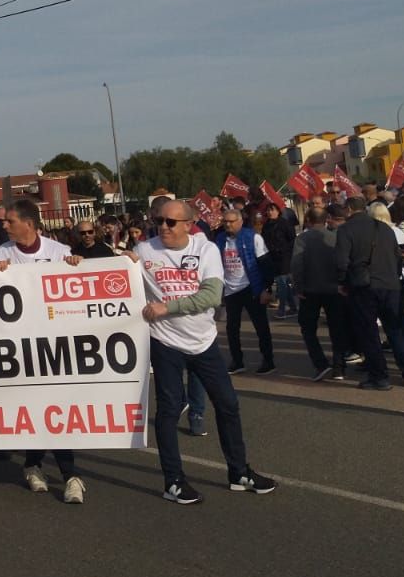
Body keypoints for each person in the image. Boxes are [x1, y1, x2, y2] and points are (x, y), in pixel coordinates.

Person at [135, 199, 276, 504]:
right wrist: (77, 261)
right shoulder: (144, 250)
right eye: (159, 220)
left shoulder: (206, 249)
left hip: (203, 340)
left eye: (171, 222)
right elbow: (109, 275)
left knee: (227, 404)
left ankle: (239, 472)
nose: (163, 227)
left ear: (189, 224)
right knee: (169, 410)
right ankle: (173, 480)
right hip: (165, 342)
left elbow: (212, 296)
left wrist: (166, 307)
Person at [0, 200, 88, 504]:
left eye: (9, 221)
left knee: (54, 407)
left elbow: (77, 287)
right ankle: (37, 465)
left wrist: (79, 266)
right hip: (17, 347)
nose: (3, 225)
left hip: (54, 344)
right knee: (35, 407)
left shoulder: (58, 252)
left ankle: (67, 474)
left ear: (28, 223)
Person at [335, 202, 404, 389]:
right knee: (396, 330)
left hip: (364, 286)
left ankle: (379, 376)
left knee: (369, 332)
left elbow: (341, 262)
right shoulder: (385, 229)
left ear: (348, 210)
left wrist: (342, 283)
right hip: (390, 284)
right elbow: (397, 257)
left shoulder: (346, 230)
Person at [289, 208, 349, 381]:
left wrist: (298, 287)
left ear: (307, 220)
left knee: (308, 328)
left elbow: (297, 264)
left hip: (310, 290)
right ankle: (339, 367)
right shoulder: (335, 237)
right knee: (337, 328)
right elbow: (343, 261)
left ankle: (320, 363)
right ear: (326, 219)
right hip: (334, 289)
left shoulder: (303, 239)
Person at [214, 209, 275, 374]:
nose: (228, 224)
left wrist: (266, 289)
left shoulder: (253, 237)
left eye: (231, 221)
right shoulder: (220, 240)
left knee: (260, 326)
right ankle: (237, 361)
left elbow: (266, 264)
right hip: (230, 290)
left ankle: (268, 360)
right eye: (225, 221)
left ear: (240, 221)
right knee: (231, 328)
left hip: (251, 288)